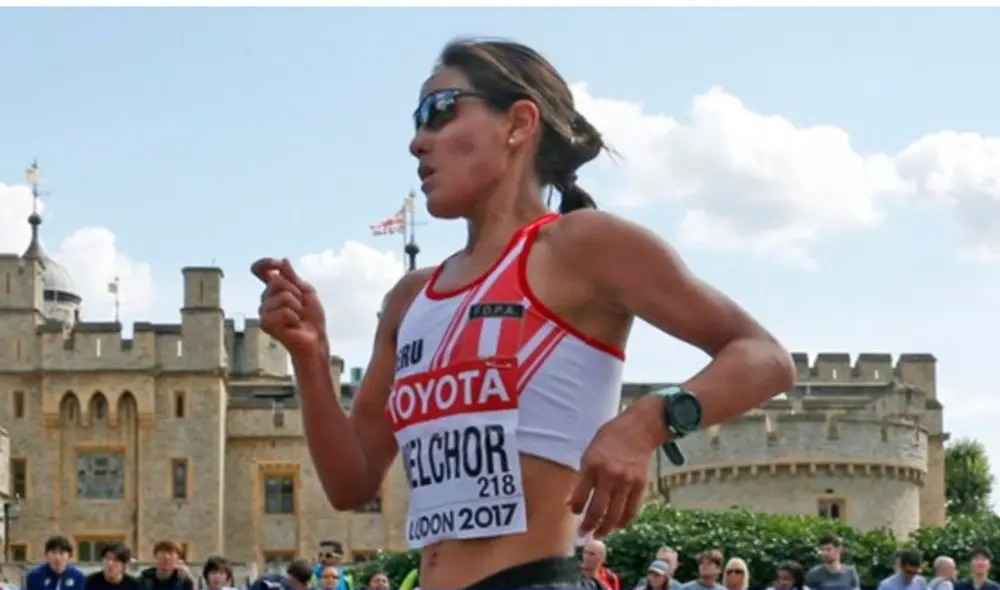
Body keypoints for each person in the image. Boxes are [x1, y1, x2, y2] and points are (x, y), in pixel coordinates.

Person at [253, 37, 794, 590]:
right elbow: (353, 482)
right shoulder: (408, 299)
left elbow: (764, 357)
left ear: (518, 123)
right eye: (415, 122)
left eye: (438, 112)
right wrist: (311, 357)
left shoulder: (581, 246)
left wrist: (647, 422)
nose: (418, 141)